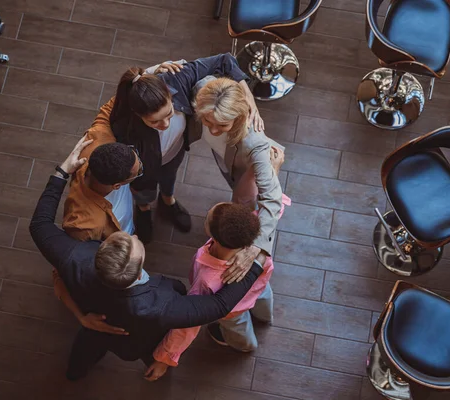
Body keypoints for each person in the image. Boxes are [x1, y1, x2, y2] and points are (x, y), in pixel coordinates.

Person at [29, 136, 267, 381]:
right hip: (134, 343)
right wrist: (256, 260)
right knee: (145, 355)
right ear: (139, 265)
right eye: (135, 243)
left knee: (86, 348)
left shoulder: (73, 257)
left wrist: (62, 172)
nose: (132, 237)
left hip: (93, 321)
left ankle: (74, 374)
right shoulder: (159, 305)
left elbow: (39, 224)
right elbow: (220, 305)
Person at [79, 53, 264, 245]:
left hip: (175, 151)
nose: (165, 124)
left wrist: (248, 95)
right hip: (144, 165)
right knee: (143, 188)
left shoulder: (177, 78)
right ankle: (143, 209)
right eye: (155, 121)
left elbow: (224, 60)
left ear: (169, 92)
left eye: (168, 114)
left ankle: (168, 201)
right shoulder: (123, 126)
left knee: (169, 176)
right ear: (137, 114)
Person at [145, 200, 289, 381]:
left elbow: (190, 322)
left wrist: (164, 358)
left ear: (213, 235)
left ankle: (245, 346)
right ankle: (265, 317)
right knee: (264, 301)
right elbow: (273, 208)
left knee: (240, 332)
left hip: (233, 312)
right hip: (260, 287)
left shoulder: (207, 280)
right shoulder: (254, 232)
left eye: (206, 220)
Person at [191, 76, 287, 284]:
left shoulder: (255, 143)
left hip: (246, 175)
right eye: (207, 121)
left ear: (240, 117)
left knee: (244, 201)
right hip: (228, 162)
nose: (213, 129)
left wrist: (255, 247)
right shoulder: (203, 88)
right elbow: (215, 63)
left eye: (222, 124)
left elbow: (272, 198)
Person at [63, 142, 143, 241]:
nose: (140, 164)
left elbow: (101, 127)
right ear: (117, 186)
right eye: (138, 173)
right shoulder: (85, 225)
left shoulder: (97, 143)